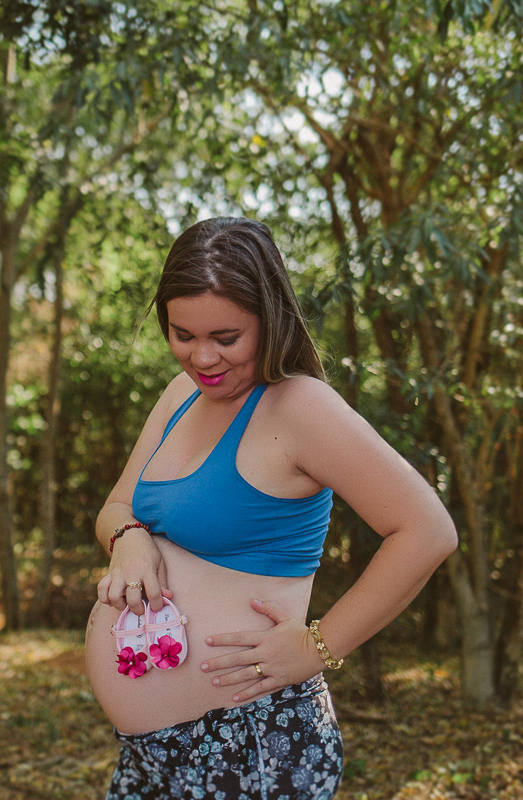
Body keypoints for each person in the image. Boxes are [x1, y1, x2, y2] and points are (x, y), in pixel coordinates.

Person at [84, 217, 457, 800]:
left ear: (269, 318)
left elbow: (428, 530)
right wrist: (129, 536)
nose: (201, 356)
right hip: (150, 756)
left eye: (226, 338)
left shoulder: (299, 408)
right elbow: (115, 505)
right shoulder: (182, 394)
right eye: (182, 335)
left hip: (251, 741)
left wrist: (317, 646)